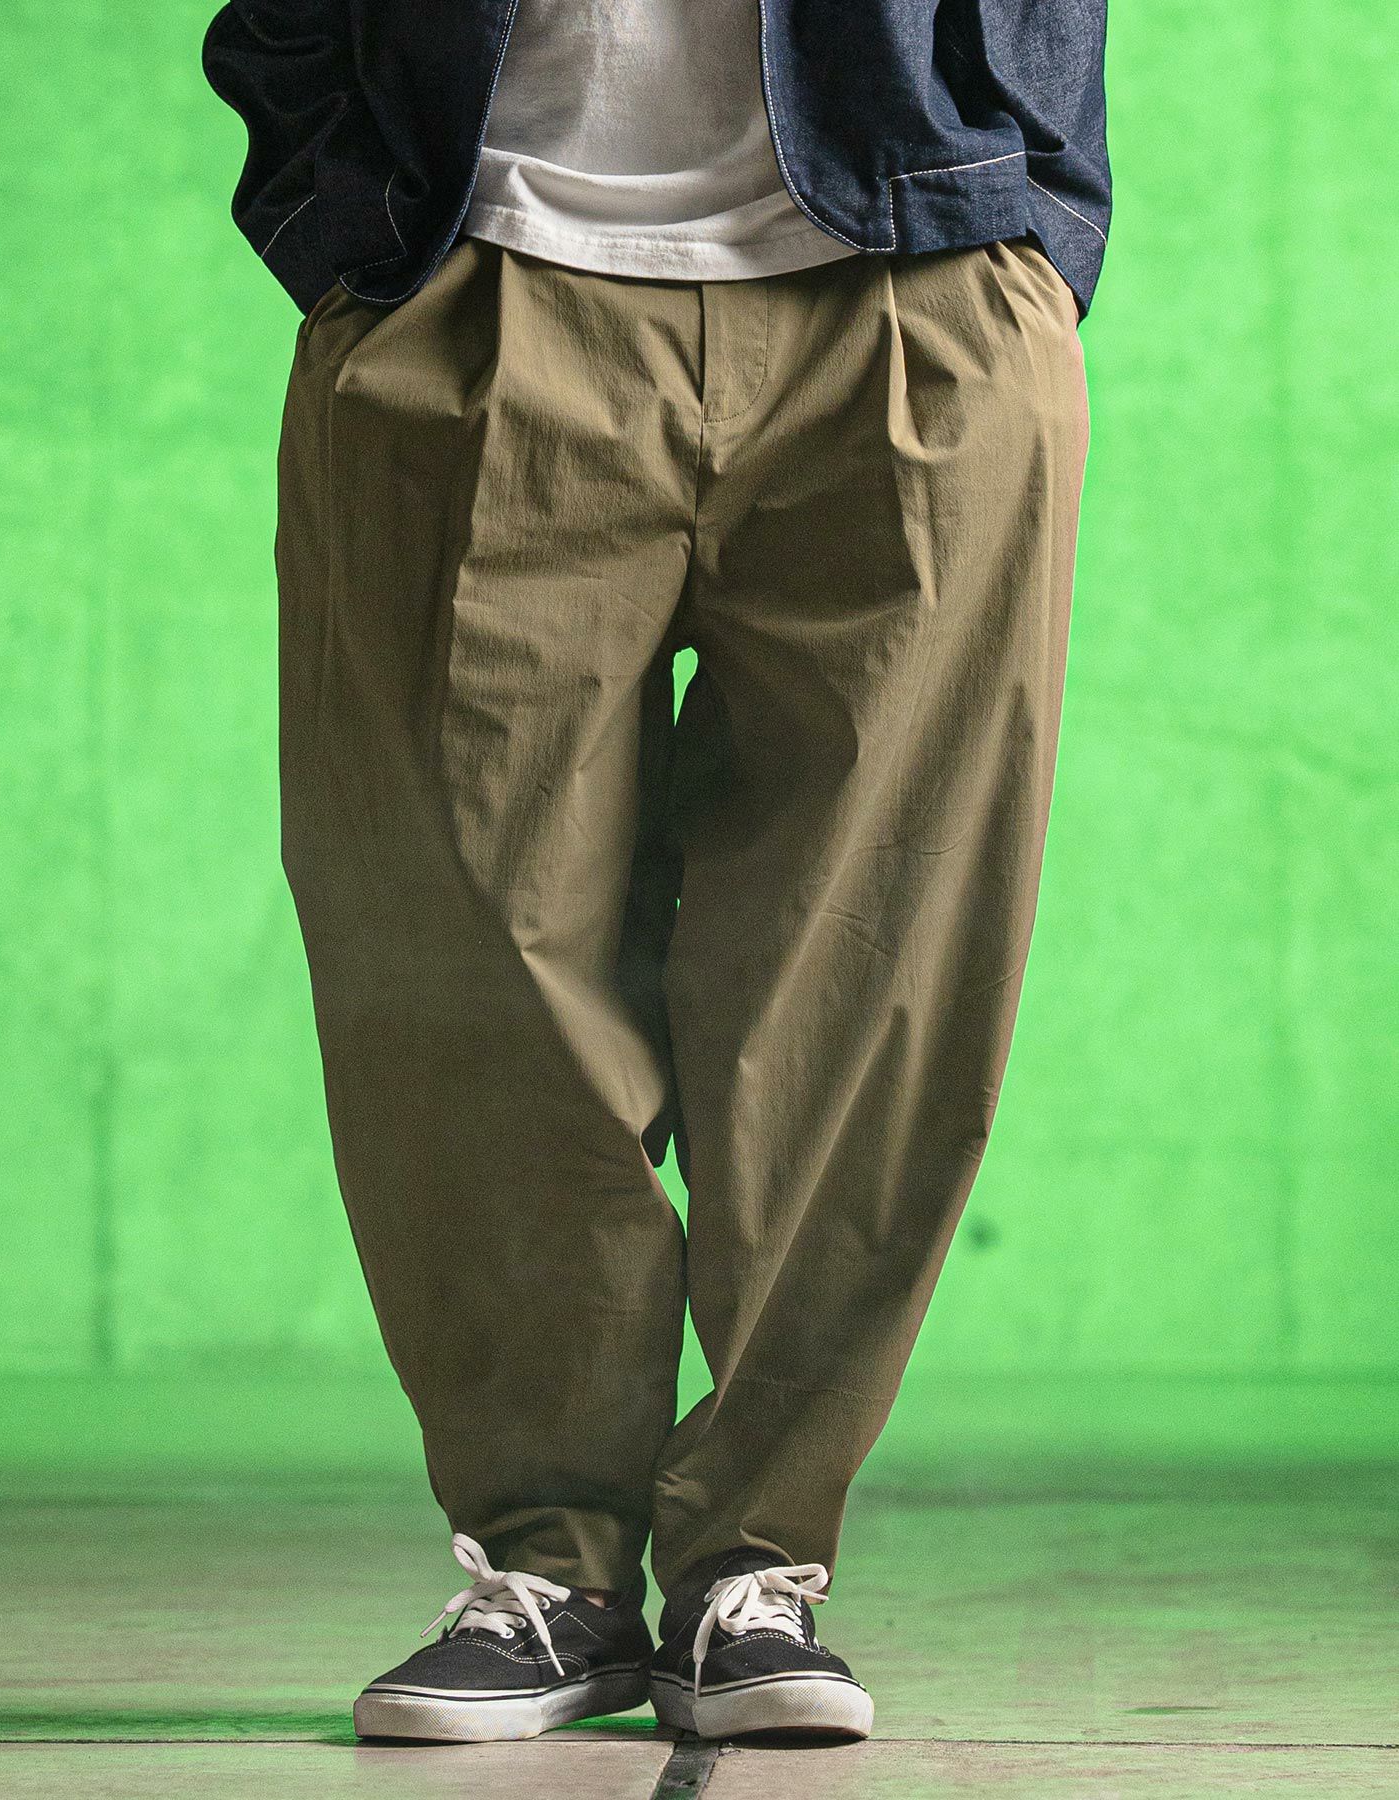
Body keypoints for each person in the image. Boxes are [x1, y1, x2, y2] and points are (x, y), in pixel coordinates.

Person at [202, 0, 1110, 1747]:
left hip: (913, 279)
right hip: (479, 277)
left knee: (869, 963)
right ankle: (548, 1570)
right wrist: (340, 225)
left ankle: (756, 1568)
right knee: (464, 946)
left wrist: (1034, 227)